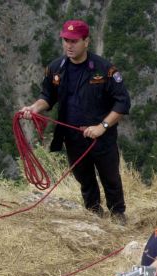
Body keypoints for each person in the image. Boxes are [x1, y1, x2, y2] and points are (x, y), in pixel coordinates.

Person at [19, 19, 131, 223]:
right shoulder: (56, 68)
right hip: (72, 137)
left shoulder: (104, 69)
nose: (69, 45)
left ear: (86, 41)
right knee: (84, 179)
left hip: (101, 137)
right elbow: (48, 96)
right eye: (65, 40)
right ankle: (94, 214)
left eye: (74, 41)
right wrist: (34, 108)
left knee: (110, 178)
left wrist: (102, 126)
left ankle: (117, 215)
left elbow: (122, 103)